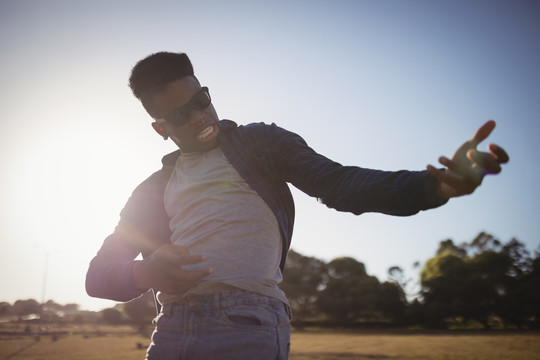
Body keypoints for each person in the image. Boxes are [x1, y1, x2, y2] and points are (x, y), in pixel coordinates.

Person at [86, 52, 509, 359]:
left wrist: (433, 186)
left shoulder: (261, 143)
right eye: (181, 116)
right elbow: (99, 276)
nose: (198, 117)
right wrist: (145, 271)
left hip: (247, 323)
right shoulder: (150, 190)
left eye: (201, 101)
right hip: (171, 332)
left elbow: (340, 184)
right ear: (160, 129)